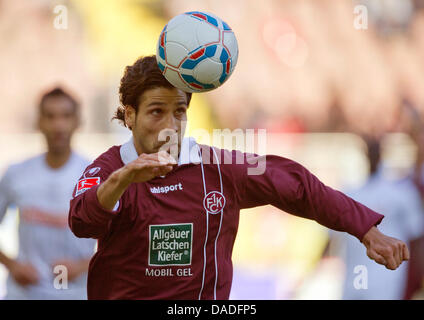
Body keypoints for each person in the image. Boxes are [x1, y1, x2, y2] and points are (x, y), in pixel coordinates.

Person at [68, 56, 410, 300]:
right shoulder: (109, 169)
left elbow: (294, 184)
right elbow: (82, 220)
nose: (170, 126)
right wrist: (126, 177)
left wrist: (365, 229)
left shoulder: (217, 169)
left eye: (179, 112)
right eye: (157, 112)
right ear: (130, 115)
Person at [0, 87, 96, 299]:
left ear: (78, 121)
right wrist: (12, 265)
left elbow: (123, 241)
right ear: (39, 122)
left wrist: (82, 266)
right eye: (50, 116)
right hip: (23, 294)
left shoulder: (94, 176)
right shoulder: (16, 174)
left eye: (66, 116)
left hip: (77, 293)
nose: (58, 125)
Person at [328, 136, 424, 299]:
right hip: (355, 273)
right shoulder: (349, 193)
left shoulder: (401, 193)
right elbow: (331, 235)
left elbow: (416, 235)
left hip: (387, 275)